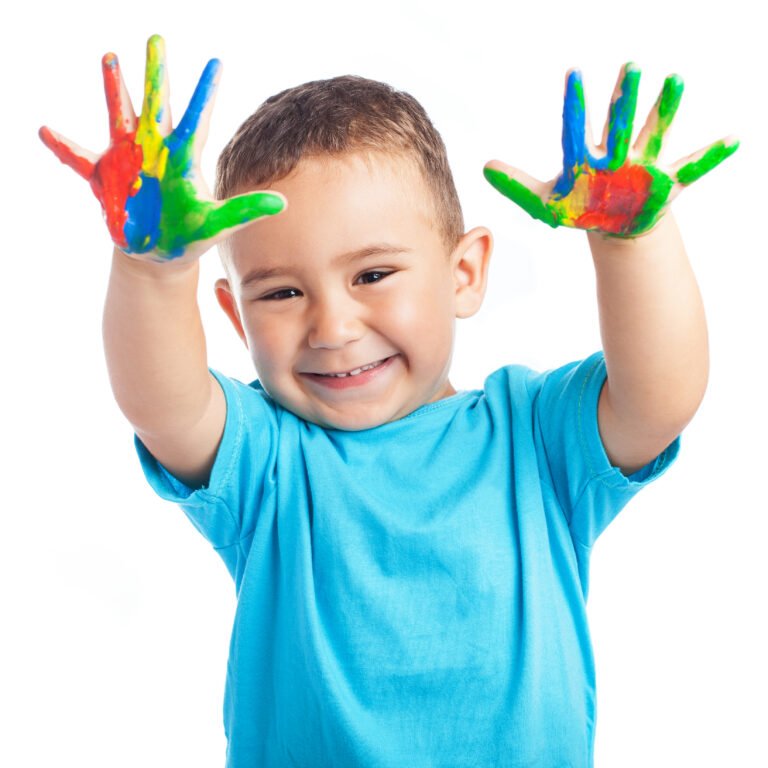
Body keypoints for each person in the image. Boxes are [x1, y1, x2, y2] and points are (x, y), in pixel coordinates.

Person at [39, 34, 737, 768]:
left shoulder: (534, 438)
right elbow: (162, 403)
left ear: (463, 274)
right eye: (281, 292)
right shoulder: (268, 460)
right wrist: (152, 270)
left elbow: (661, 398)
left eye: (372, 275)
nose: (333, 328)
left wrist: (634, 244)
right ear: (235, 318)